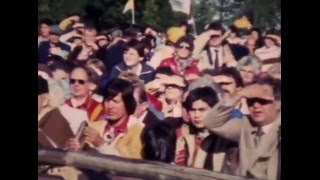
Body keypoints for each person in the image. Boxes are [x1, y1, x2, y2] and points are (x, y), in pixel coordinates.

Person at [204, 76, 281, 179]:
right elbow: (212, 123)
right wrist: (239, 94)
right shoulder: (245, 125)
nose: (256, 106)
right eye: (251, 101)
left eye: (262, 101)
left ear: (277, 104)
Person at [66, 78, 144, 159]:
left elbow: (131, 166)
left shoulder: (138, 132)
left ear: (127, 103)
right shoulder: (93, 127)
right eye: (107, 101)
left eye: (115, 101)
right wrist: (75, 148)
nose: (110, 106)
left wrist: (101, 144)